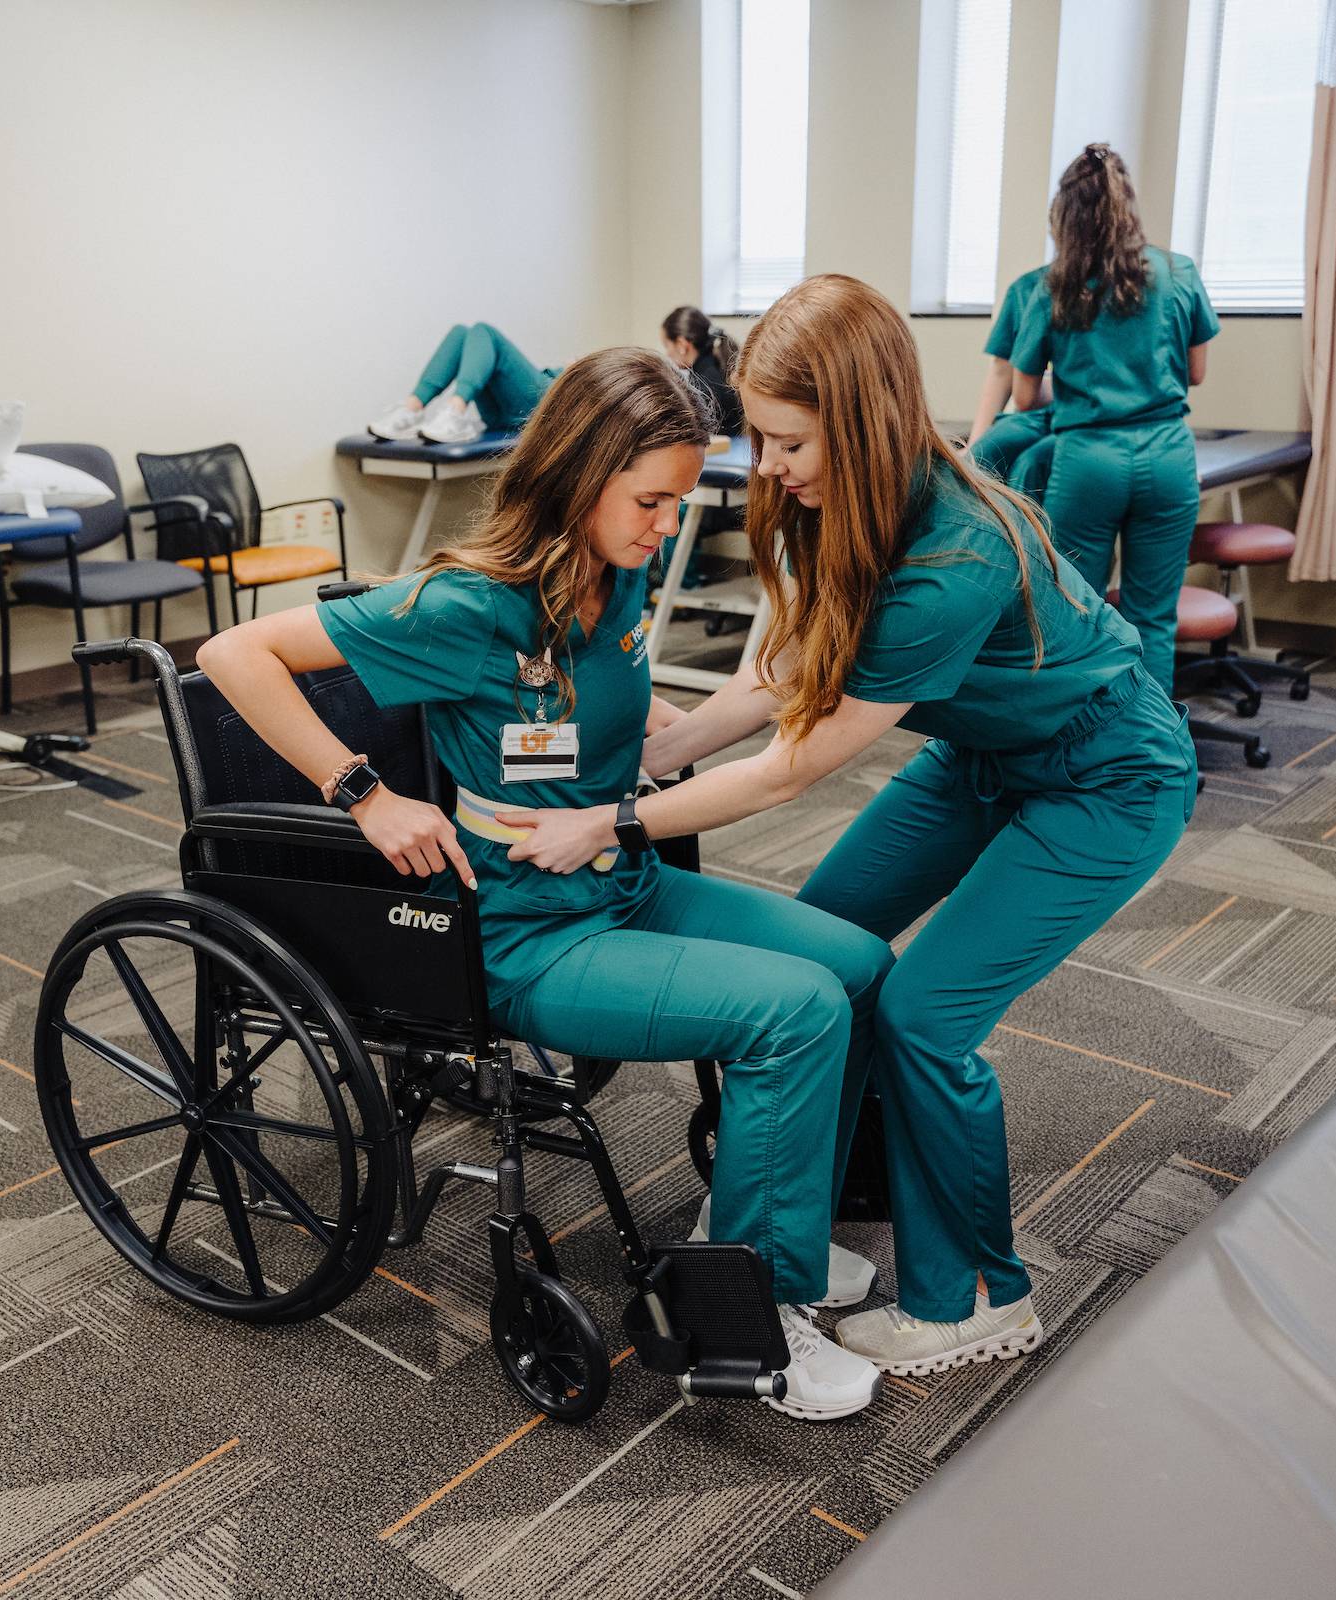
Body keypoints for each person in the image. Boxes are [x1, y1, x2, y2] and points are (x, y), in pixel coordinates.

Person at [496, 276, 1196, 1378]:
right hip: (985, 753)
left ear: (861, 424)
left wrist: (617, 820)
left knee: (924, 1013)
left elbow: (793, 769)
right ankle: (806, 1213)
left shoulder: (950, 563)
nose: (765, 465)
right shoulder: (835, 498)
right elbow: (787, 668)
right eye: (760, 437)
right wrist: (667, 748)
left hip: (1107, 778)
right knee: (826, 950)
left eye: (785, 441)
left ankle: (975, 1294)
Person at [206, 347, 895, 1421]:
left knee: (855, 966)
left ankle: (762, 1224)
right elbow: (232, 652)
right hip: (524, 937)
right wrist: (365, 793)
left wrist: (677, 725)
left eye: (676, 502)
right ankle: (750, 1317)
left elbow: (606, 715)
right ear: (582, 471)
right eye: (652, 501)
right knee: (796, 1014)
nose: (666, 528)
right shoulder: (464, 606)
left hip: (621, 884)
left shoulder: (613, 571)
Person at [1008, 144, 1219, 689]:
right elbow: (1195, 372)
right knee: (1154, 617)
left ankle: (1080, 754)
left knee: (1076, 614)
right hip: (1168, 457)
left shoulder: (1052, 285)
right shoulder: (1178, 272)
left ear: (1065, 214)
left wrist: (1083, 379)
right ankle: (1157, 760)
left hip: (1088, 464)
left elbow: (1025, 395)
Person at [367, 322, 562, 446]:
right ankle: (412, 409)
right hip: (501, 417)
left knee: (484, 331)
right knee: (461, 333)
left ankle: (456, 410)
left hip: (547, 406)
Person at [965, 265, 1054, 491]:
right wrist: (974, 444)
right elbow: (1002, 370)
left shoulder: (1124, 288)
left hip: (1080, 421)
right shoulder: (1027, 287)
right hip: (1033, 417)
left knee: (1029, 467)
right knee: (977, 460)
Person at [660, 305, 743, 436]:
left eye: (667, 346)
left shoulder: (701, 384)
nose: (667, 353)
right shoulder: (717, 366)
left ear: (682, 344)